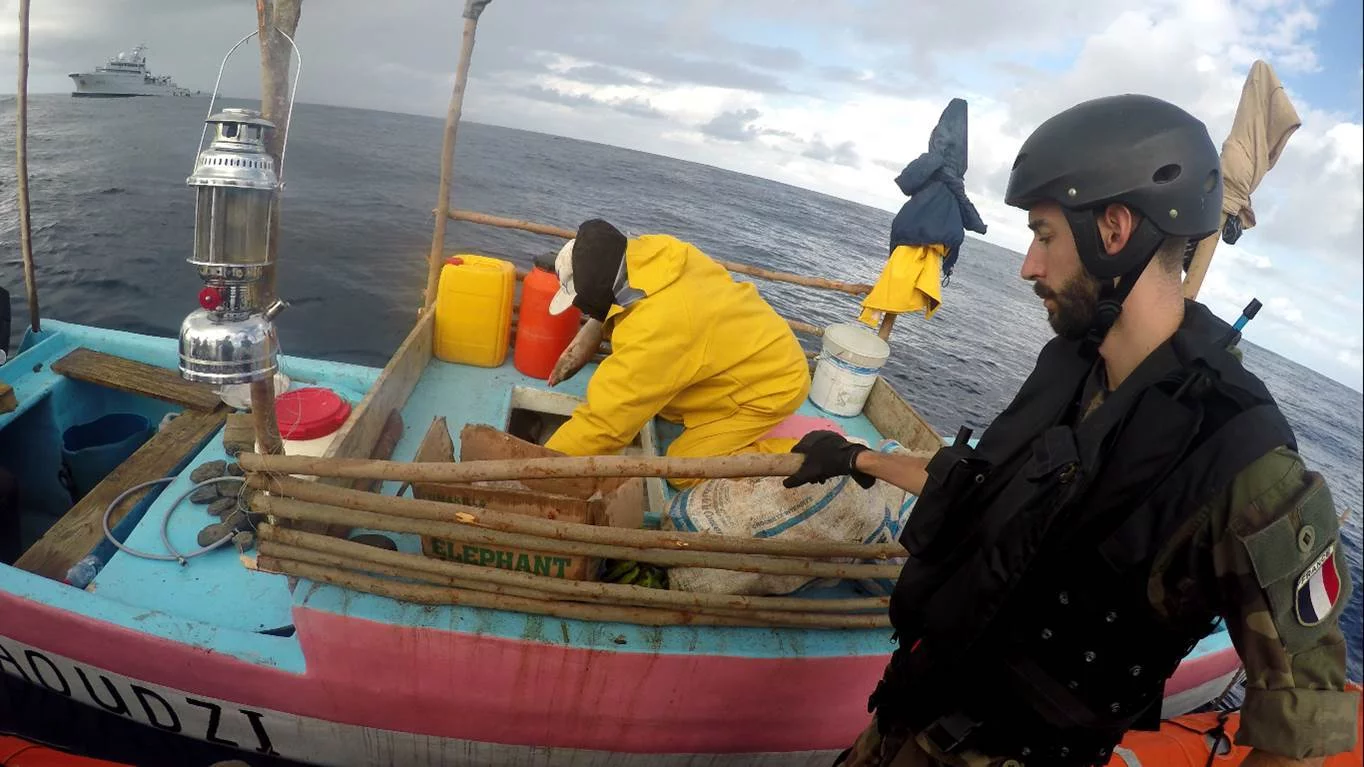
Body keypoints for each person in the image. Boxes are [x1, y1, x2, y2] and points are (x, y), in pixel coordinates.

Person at [785, 94, 1358, 767]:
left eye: (1045, 235)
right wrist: (857, 456)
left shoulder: (1244, 459)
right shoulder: (1072, 366)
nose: (1028, 264)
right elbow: (977, 491)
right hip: (903, 719)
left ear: (1114, 229)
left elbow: (1304, 726)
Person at [542, 218, 810, 486]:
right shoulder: (655, 252)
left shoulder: (656, 329)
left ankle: (810, 456)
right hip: (754, 351)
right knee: (660, 400)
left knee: (684, 471)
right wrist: (596, 323)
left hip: (771, 387)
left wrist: (538, 469)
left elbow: (604, 426)